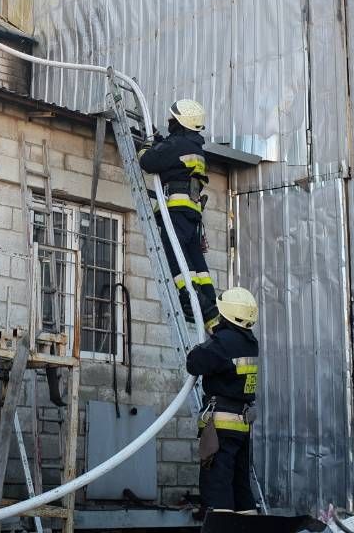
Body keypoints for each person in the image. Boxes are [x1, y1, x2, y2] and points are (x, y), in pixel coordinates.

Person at [138, 98, 218, 330]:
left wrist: (148, 144)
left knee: (175, 256)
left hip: (176, 211)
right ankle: (210, 308)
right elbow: (175, 162)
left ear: (180, 123)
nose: (168, 121)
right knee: (196, 262)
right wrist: (162, 142)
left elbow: (148, 161)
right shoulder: (195, 148)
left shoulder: (178, 146)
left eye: (172, 119)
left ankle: (190, 300)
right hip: (191, 214)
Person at [186, 286, 259, 515]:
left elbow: (194, 363)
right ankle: (248, 525)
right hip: (242, 426)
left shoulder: (222, 342)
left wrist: (208, 341)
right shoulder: (250, 343)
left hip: (220, 429)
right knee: (240, 486)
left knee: (216, 486)